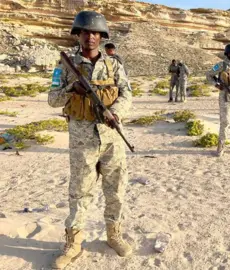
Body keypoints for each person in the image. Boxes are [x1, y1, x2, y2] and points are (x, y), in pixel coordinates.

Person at [48, 10, 132, 269]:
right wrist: (72, 89)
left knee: (115, 188)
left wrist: (115, 113)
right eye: (85, 32)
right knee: (80, 191)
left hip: (111, 138)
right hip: (81, 139)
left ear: (102, 36)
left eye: (95, 33)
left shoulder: (114, 64)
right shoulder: (64, 66)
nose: (90, 37)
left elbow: (127, 94)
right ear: (78, 35)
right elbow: (53, 100)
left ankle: (113, 234)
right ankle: (74, 242)